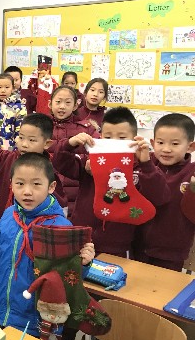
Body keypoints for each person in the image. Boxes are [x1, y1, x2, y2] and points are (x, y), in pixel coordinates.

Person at [0, 153, 95, 338]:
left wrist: (83, 264)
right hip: (5, 310)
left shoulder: (60, 227)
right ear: (11, 184)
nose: (27, 191)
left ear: (51, 187)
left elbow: (69, 278)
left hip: (39, 319)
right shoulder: (8, 216)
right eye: (20, 183)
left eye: (36, 184)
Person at [53, 107, 162, 260]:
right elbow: (60, 164)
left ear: (134, 139)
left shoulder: (140, 168)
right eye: (108, 137)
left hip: (118, 246)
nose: (114, 143)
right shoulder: (90, 162)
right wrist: (69, 144)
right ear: (101, 137)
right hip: (82, 241)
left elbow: (158, 195)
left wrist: (146, 164)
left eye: (122, 138)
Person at [0, 113, 68, 263]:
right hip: (4, 225)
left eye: (31, 140)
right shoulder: (7, 158)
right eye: (21, 137)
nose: (24, 144)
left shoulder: (48, 169)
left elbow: (58, 205)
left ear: (47, 143)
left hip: (31, 233)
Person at [133, 113, 195, 271]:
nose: (166, 149)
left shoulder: (191, 173)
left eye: (175, 144)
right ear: (152, 143)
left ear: (190, 147)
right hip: (137, 244)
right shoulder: (144, 162)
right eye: (160, 142)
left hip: (171, 252)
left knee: (165, 286)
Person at [48, 86, 99, 217]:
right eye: (58, 102)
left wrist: (90, 163)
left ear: (75, 106)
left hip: (76, 193)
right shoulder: (42, 127)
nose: (62, 106)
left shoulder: (87, 129)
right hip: (47, 191)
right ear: (50, 104)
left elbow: (99, 153)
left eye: (68, 102)